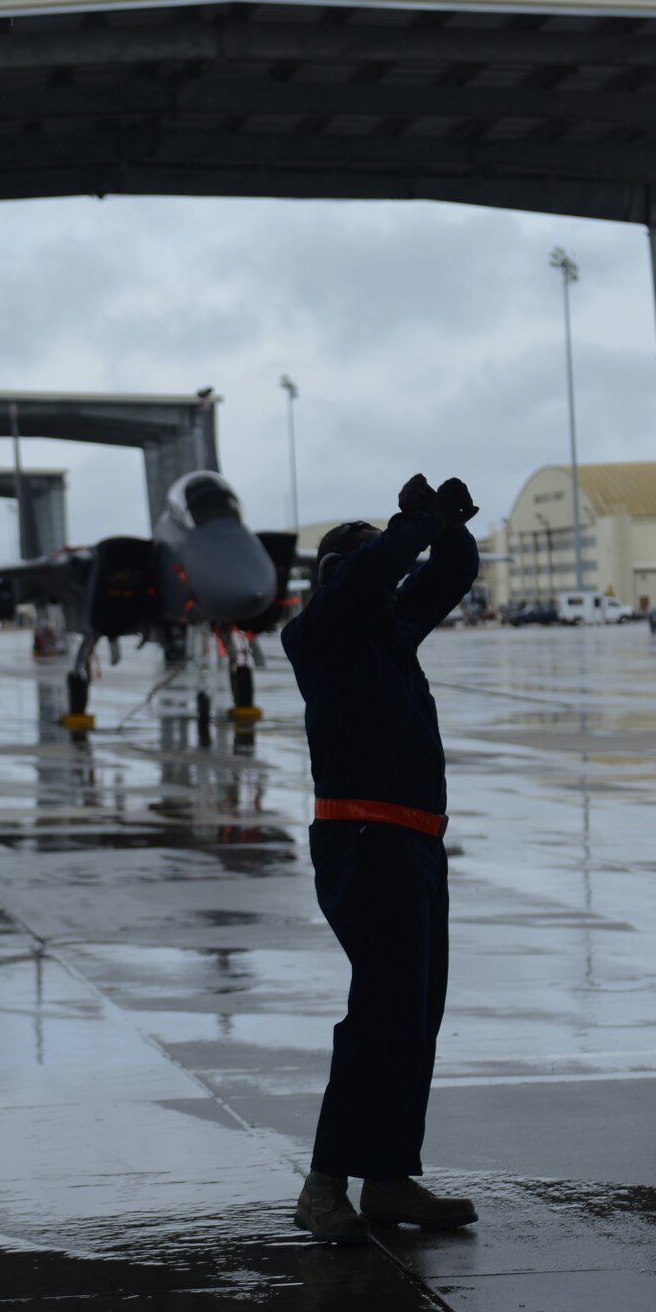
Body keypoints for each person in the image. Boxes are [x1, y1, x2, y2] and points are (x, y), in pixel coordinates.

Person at [281, 473, 481, 1244]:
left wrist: (448, 528)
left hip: (415, 841)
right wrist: (409, 524)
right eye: (375, 562)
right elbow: (372, 569)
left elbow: (451, 574)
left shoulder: (389, 634)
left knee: (414, 1014)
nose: (393, 577)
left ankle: (390, 1178)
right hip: (364, 842)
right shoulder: (321, 629)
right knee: (380, 1014)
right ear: (337, 574)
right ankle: (324, 1184)